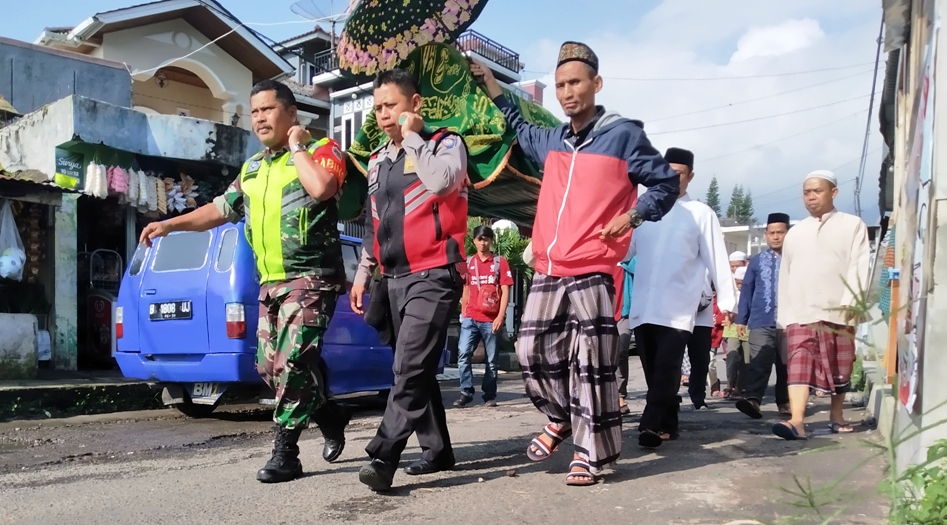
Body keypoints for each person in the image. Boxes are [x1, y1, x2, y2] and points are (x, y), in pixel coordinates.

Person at [471, 42, 679, 485]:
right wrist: (492, 86)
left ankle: (590, 453)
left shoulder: (622, 135)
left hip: (593, 266)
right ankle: (561, 416)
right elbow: (517, 124)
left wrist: (633, 214)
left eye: (575, 82)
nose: (566, 92)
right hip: (550, 265)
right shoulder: (553, 140)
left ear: (596, 84)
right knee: (530, 351)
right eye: (561, 84)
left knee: (594, 364)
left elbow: (665, 184)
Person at [139, 80, 350, 483]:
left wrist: (298, 147)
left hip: (311, 278)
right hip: (269, 281)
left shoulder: (322, 151)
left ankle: (286, 454)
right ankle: (329, 413)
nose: (259, 119)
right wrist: (168, 224)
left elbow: (323, 189)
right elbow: (219, 209)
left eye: (267, 110)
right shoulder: (253, 168)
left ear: (291, 113)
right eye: (254, 112)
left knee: (292, 363)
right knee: (268, 367)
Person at [350, 69, 468, 490]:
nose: (383, 115)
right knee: (415, 369)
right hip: (393, 277)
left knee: (409, 364)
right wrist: (364, 273)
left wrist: (415, 137)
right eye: (378, 107)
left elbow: (441, 183)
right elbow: (373, 223)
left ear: (415, 105)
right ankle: (437, 451)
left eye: (391, 106)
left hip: (436, 272)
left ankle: (384, 456)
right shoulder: (377, 160)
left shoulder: (446, 144)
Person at [624, 147, 735, 448]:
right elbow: (625, 249)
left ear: (691, 176)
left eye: (679, 174)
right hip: (644, 306)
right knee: (654, 372)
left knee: (667, 368)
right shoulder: (642, 212)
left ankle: (648, 425)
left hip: (677, 308)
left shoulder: (700, 214)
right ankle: (667, 422)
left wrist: (727, 301)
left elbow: (717, 258)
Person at [773, 171, 870, 440]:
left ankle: (836, 415)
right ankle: (797, 421)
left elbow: (860, 265)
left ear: (833, 192)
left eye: (817, 191)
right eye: (806, 192)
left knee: (841, 367)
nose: (811, 197)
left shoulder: (852, 225)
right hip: (801, 312)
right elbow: (786, 275)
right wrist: (785, 316)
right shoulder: (796, 232)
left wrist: (853, 301)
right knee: (799, 363)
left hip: (839, 308)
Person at [735, 213, 792, 418]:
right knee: (759, 362)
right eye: (772, 233)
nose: (776, 237)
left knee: (786, 364)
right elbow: (747, 291)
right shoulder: (757, 262)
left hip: (789, 320)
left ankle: (785, 402)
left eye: (780, 232)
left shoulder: (796, 259)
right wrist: (741, 319)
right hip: (761, 320)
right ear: (766, 235)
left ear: (788, 233)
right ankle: (753, 400)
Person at [455, 224, 513, 408]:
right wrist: (463, 311)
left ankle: (489, 395)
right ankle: (466, 392)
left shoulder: (499, 262)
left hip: (490, 320)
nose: (483, 242)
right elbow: (465, 288)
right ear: (474, 241)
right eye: (480, 239)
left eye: (486, 239)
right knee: (463, 354)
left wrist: (500, 317)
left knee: (491, 360)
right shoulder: (469, 262)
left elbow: (505, 290)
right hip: (470, 318)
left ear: (491, 240)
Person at [723, 266, 750, 398]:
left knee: (746, 360)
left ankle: (739, 387)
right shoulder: (731, 293)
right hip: (732, 328)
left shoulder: (752, 292)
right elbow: (726, 308)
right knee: (732, 357)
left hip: (748, 328)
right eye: (737, 282)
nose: (739, 286)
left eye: (742, 283)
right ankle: (729, 385)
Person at [616, 257, 636, 415]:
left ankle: (619, 395)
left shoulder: (629, 256)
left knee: (620, 352)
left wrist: (624, 259)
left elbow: (639, 266)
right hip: (600, 312)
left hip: (624, 314)